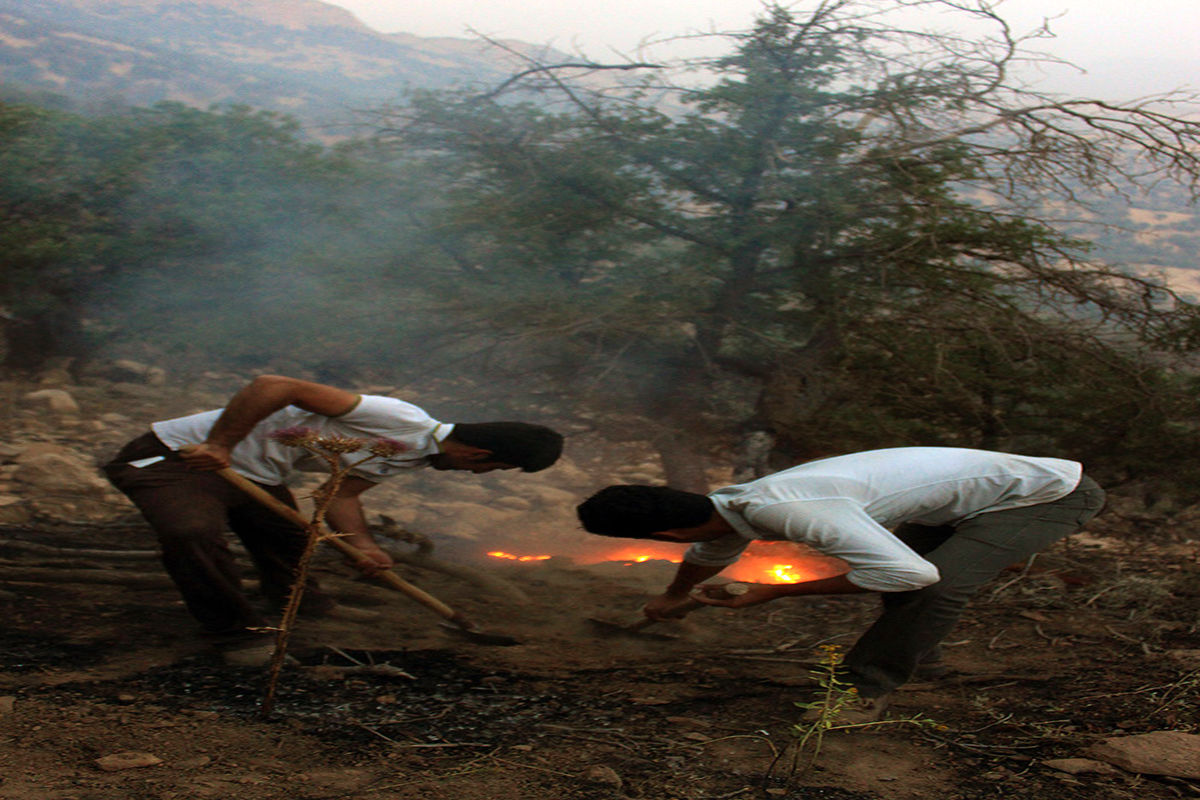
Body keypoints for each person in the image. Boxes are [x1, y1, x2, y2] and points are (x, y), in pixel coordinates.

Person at [576, 447, 1105, 721]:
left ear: (664, 531)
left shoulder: (797, 513)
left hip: (1046, 495)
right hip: (968, 497)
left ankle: (863, 690)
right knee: (918, 577)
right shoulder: (729, 504)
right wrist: (674, 597)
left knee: (934, 586)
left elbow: (911, 574)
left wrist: (774, 591)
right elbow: (708, 550)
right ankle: (924, 656)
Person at [104, 374, 563, 663]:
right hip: (174, 460)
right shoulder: (404, 420)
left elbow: (340, 492)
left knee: (290, 540)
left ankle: (301, 609)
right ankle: (232, 634)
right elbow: (273, 386)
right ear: (480, 453)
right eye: (490, 469)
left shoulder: (412, 456)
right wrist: (221, 444)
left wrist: (363, 545)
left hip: (255, 476)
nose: (477, 476)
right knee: (192, 532)